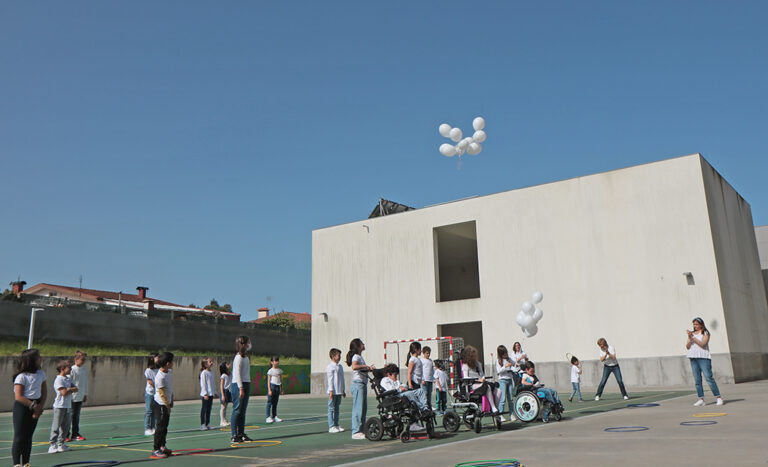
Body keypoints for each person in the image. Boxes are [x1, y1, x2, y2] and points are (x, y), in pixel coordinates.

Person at [12, 348, 47, 467]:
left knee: (28, 436)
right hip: (23, 407)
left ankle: (26, 462)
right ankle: (17, 463)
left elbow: (44, 391)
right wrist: (33, 406)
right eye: (38, 357)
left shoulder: (41, 374)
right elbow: (19, 396)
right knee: (19, 436)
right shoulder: (22, 376)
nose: (40, 358)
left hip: (36, 406)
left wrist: (40, 406)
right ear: (31, 360)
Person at [380, 363, 429, 432]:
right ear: (388, 374)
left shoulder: (396, 381)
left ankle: (425, 408)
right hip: (394, 398)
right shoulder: (385, 380)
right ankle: (422, 410)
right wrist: (400, 389)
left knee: (420, 391)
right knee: (409, 393)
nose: (396, 377)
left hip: (401, 394)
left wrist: (401, 388)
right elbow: (391, 390)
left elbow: (404, 386)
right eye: (395, 375)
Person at [686, 317, 724, 407]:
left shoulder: (705, 333)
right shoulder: (692, 334)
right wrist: (690, 338)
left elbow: (703, 344)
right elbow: (687, 347)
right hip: (693, 358)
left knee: (708, 378)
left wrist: (693, 338)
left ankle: (718, 397)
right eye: (694, 324)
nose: (695, 326)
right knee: (697, 380)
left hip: (703, 358)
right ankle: (701, 399)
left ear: (701, 325)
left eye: (696, 324)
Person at [346, 338, 374, 440]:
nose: (364, 344)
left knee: (363, 409)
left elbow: (360, 369)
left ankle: (361, 430)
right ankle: (356, 431)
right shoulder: (356, 356)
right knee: (358, 409)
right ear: (358, 346)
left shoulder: (359, 357)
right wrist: (365, 366)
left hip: (362, 384)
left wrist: (368, 368)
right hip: (358, 384)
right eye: (362, 343)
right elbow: (354, 366)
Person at [461, 345, 501, 414]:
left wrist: (482, 378)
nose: (477, 357)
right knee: (487, 387)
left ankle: (496, 408)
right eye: (475, 356)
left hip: (481, 382)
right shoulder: (465, 365)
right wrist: (477, 380)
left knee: (499, 391)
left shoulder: (478, 364)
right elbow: (465, 377)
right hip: (472, 384)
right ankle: (493, 407)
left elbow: (482, 375)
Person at [49, 360, 77, 453]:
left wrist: (70, 389)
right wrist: (70, 389)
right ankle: (52, 445)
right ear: (62, 369)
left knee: (65, 427)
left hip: (67, 406)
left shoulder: (68, 379)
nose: (70, 369)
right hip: (59, 406)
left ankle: (61, 444)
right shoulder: (59, 380)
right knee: (56, 426)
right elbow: (63, 392)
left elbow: (76, 388)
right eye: (69, 367)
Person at [151, 352, 174, 459]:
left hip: (166, 403)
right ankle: (156, 449)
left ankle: (162, 446)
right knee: (160, 427)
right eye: (172, 361)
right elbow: (161, 393)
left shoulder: (168, 372)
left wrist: (171, 400)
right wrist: (167, 406)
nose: (173, 363)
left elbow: (169, 388)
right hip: (161, 403)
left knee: (165, 426)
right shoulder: (160, 377)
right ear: (167, 363)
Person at [231, 335, 253, 443]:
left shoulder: (246, 357)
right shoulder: (238, 358)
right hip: (238, 385)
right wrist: (240, 388)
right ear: (243, 344)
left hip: (246, 383)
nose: (250, 344)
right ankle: (234, 435)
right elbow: (237, 374)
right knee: (237, 410)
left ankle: (241, 433)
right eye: (248, 342)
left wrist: (246, 385)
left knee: (243, 411)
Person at [68, 350, 88, 441]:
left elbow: (85, 383)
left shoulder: (84, 370)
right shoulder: (72, 370)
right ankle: (65, 434)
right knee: (69, 416)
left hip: (80, 397)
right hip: (72, 397)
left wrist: (85, 394)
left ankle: (75, 434)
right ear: (76, 359)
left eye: (84, 360)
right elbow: (69, 383)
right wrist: (70, 395)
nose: (83, 361)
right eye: (82, 359)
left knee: (76, 416)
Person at [496, 345, 518, 421]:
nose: (505, 355)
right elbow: (498, 371)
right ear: (500, 354)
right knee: (502, 399)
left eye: (506, 353)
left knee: (510, 398)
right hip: (502, 380)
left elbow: (514, 364)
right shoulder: (498, 361)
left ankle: (511, 414)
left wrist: (514, 365)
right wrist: (505, 366)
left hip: (509, 379)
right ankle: (500, 414)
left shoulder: (509, 359)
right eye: (503, 353)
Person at [326, 348, 346, 433]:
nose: (340, 357)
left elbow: (342, 379)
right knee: (331, 409)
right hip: (333, 391)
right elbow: (330, 379)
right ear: (333, 356)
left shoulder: (340, 366)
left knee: (337, 409)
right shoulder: (330, 367)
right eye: (338, 355)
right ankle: (331, 426)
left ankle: (336, 425)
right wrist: (331, 391)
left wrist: (343, 390)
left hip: (339, 391)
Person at [199, 357, 217, 430]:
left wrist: (214, 392)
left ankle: (208, 423)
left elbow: (213, 383)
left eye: (211, 361)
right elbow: (203, 384)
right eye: (210, 362)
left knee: (209, 409)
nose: (211, 363)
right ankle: (202, 424)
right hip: (205, 395)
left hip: (211, 394)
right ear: (205, 364)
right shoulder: (204, 373)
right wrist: (205, 394)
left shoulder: (212, 372)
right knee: (204, 409)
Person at [144, 353, 159, 436]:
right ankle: (147, 428)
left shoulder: (159, 369)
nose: (158, 359)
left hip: (157, 393)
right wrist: (157, 388)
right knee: (149, 411)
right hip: (150, 393)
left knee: (155, 412)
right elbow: (150, 382)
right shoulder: (148, 371)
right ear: (152, 359)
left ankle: (153, 427)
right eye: (157, 357)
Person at [266, 356, 284, 423]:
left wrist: (282, 389)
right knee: (269, 403)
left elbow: (281, 380)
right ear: (272, 362)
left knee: (275, 403)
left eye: (277, 361)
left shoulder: (279, 370)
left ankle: (274, 416)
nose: (277, 362)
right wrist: (269, 390)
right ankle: (268, 417)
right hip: (272, 386)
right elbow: (268, 381)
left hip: (277, 387)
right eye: (275, 361)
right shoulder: (270, 371)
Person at [219, 362, 232, 427]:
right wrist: (223, 395)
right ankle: (222, 421)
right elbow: (221, 386)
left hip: (230, 391)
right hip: (224, 391)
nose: (229, 364)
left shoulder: (231, 373)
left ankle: (225, 420)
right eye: (227, 364)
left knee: (226, 407)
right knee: (223, 407)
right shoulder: (223, 375)